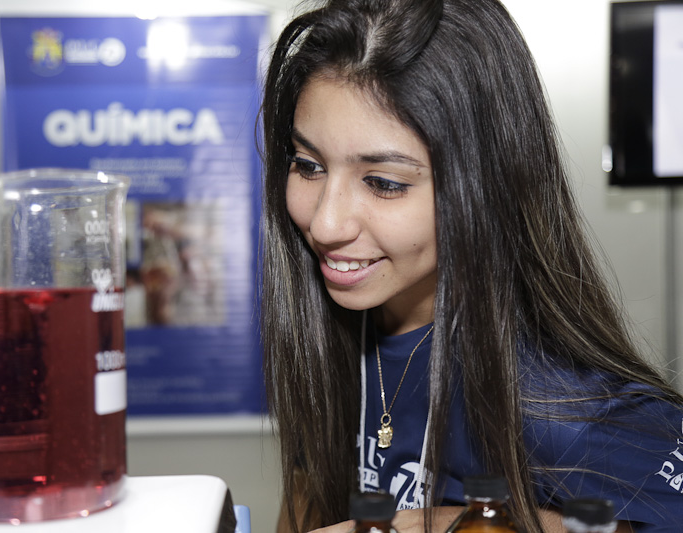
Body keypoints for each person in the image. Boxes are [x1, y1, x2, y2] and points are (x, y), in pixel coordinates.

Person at [258, 0, 683, 532]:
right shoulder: (331, 325)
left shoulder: (559, 401)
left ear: (487, 185)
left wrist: (468, 521)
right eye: (308, 165)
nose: (324, 224)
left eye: (384, 183)